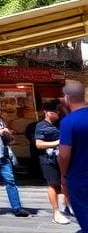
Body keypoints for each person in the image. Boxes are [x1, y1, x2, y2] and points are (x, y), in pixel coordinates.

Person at [34, 99, 69, 224]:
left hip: (64, 159)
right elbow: (38, 144)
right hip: (48, 160)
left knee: (66, 183)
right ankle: (56, 213)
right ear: (47, 112)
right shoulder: (40, 126)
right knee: (53, 185)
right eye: (55, 112)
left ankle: (66, 205)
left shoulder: (62, 122)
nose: (58, 114)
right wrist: (57, 143)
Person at [60, 80, 88, 230]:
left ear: (67, 97)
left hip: (80, 178)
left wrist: (63, 175)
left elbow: (64, 155)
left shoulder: (69, 122)